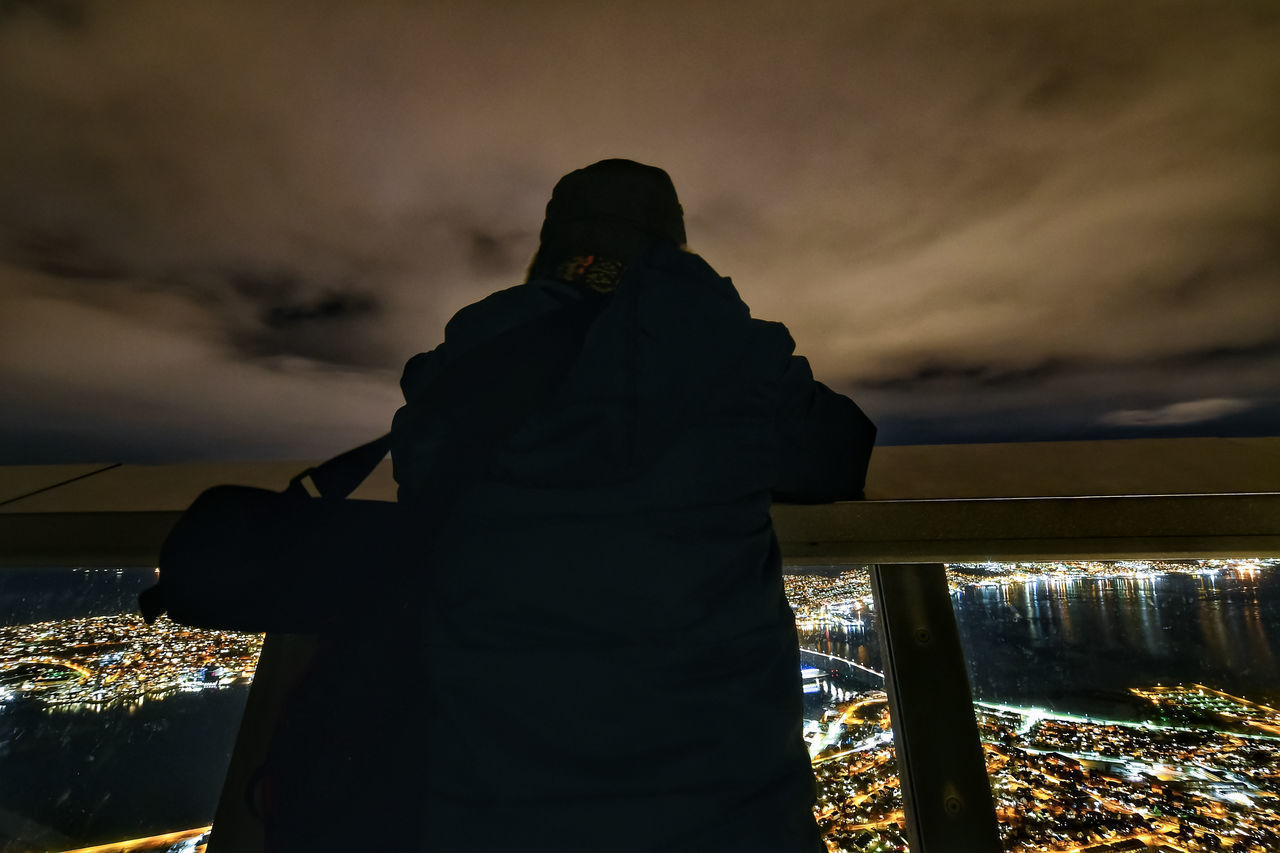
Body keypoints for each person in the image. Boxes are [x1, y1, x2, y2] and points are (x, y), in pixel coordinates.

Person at [390, 159, 875, 852]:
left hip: (487, 811)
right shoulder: (722, 353)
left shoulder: (468, 362)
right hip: (731, 815)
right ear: (670, 245)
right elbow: (841, 452)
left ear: (550, 249)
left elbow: (420, 470)